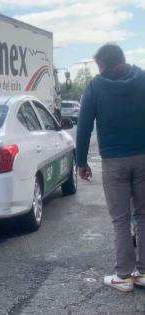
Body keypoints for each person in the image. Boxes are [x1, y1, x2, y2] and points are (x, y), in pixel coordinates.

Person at [76, 43, 145, 292]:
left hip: (114, 161)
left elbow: (83, 129)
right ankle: (143, 272)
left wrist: (81, 162)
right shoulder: (142, 78)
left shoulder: (96, 86)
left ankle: (124, 275)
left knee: (120, 219)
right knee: (143, 215)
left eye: (99, 65)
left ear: (103, 64)